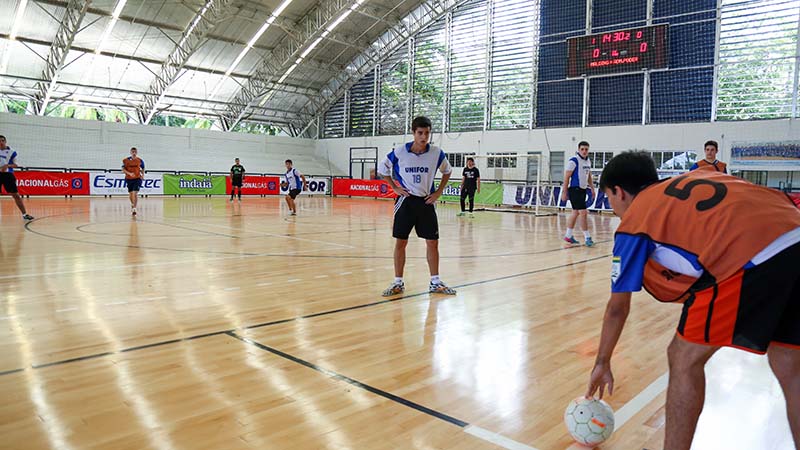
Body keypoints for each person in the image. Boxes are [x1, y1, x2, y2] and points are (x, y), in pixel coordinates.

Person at [586, 151, 800, 450]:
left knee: (683, 357)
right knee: (791, 363)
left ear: (618, 192)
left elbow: (617, 308)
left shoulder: (636, 220)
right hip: (794, 230)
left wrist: (602, 361)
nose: (611, 205)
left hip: (752, 253)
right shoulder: (688, 181)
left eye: (608, 197)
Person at [379, 116, 456, 297]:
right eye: (420, 133)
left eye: (427, 133)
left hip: (426, 201)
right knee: (401, 242)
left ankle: (435, 282)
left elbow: (448, 170)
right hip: (406, 202)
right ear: (413, 133)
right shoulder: (399, 152)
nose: (424, 137)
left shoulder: (437, 153)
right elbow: (382, 170)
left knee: (433, 242)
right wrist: (395, 187)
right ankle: (398, 282)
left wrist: (438, 192)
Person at [561, 141, 595, 246]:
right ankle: (587, 237)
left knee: (575, 213)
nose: (584, 151)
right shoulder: (574, 161)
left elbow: (588, 175)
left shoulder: (588, 161)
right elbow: (566, 177)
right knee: (583, 213)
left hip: (583, 190)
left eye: (586, 149)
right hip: (575, 190)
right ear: (579, 150)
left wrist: (592, 188)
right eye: (582, 149)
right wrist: (564, 191)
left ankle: (568, 236)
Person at [0, 135, 34, 221]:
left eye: (2, 140)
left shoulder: (12, 152)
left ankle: (24, 214)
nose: (1, 142)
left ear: (5, 141)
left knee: (16, 195)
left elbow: (16, 165)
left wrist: (7, 165)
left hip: (7, 175)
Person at [122, 147, 144, 216]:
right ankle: (132, 204)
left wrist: (143, 175)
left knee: (135, 193)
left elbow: (143, 168)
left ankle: (134, 208)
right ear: (130, 152)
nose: (134, 153)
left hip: (137, 178)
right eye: (133, 152)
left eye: (135, 152)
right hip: (129, 179)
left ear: (136, 152)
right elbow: (123, 169)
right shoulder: (126, 160)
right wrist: (129, 173)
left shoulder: (140, 160)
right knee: (131, 193)